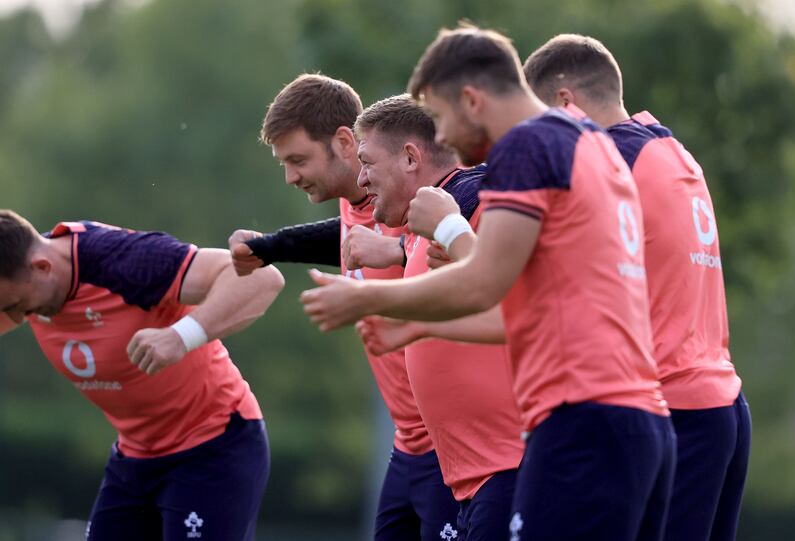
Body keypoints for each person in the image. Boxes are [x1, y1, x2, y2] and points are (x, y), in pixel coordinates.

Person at [300, 25, 676, 541]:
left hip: (581, 424)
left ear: (472, 99)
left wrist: (369, 295)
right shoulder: (592, 143)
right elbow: (524, 310)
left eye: (444, 118)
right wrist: (411, 323)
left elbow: (484, 282)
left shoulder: (526, 147)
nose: (446, 139)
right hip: (641, 422)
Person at [522, 34, 750, 541]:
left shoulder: (610, 159)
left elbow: (513, 259)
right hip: (719, 405)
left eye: (540, 121)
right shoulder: (669, 149)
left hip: (675, 407)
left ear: (566, 102)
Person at [227, 74, 459, 541]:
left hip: (453, 447)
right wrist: (270, 246)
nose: (291, 176)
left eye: (298, 159)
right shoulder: (360, 207)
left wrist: (396, 253)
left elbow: (471, 262)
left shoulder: (409, 199)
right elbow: (345, 239)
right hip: (408, 446)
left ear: (344, 142)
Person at [0, 211, 284, 541]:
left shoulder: (123, 259)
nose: (15, 318)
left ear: (42, 267)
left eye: (17, 305)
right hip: (135, 457)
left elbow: (262, 278)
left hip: (214, 445)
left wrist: (182, 335)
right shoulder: (22, 283)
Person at [349, 94, 523, 541]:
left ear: (410, 157)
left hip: (508, 467)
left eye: (367, 161)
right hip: (468, 478)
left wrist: (453, 226)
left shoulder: (471, 195)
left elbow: (526, 300)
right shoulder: (427, 226)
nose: (361, 177)